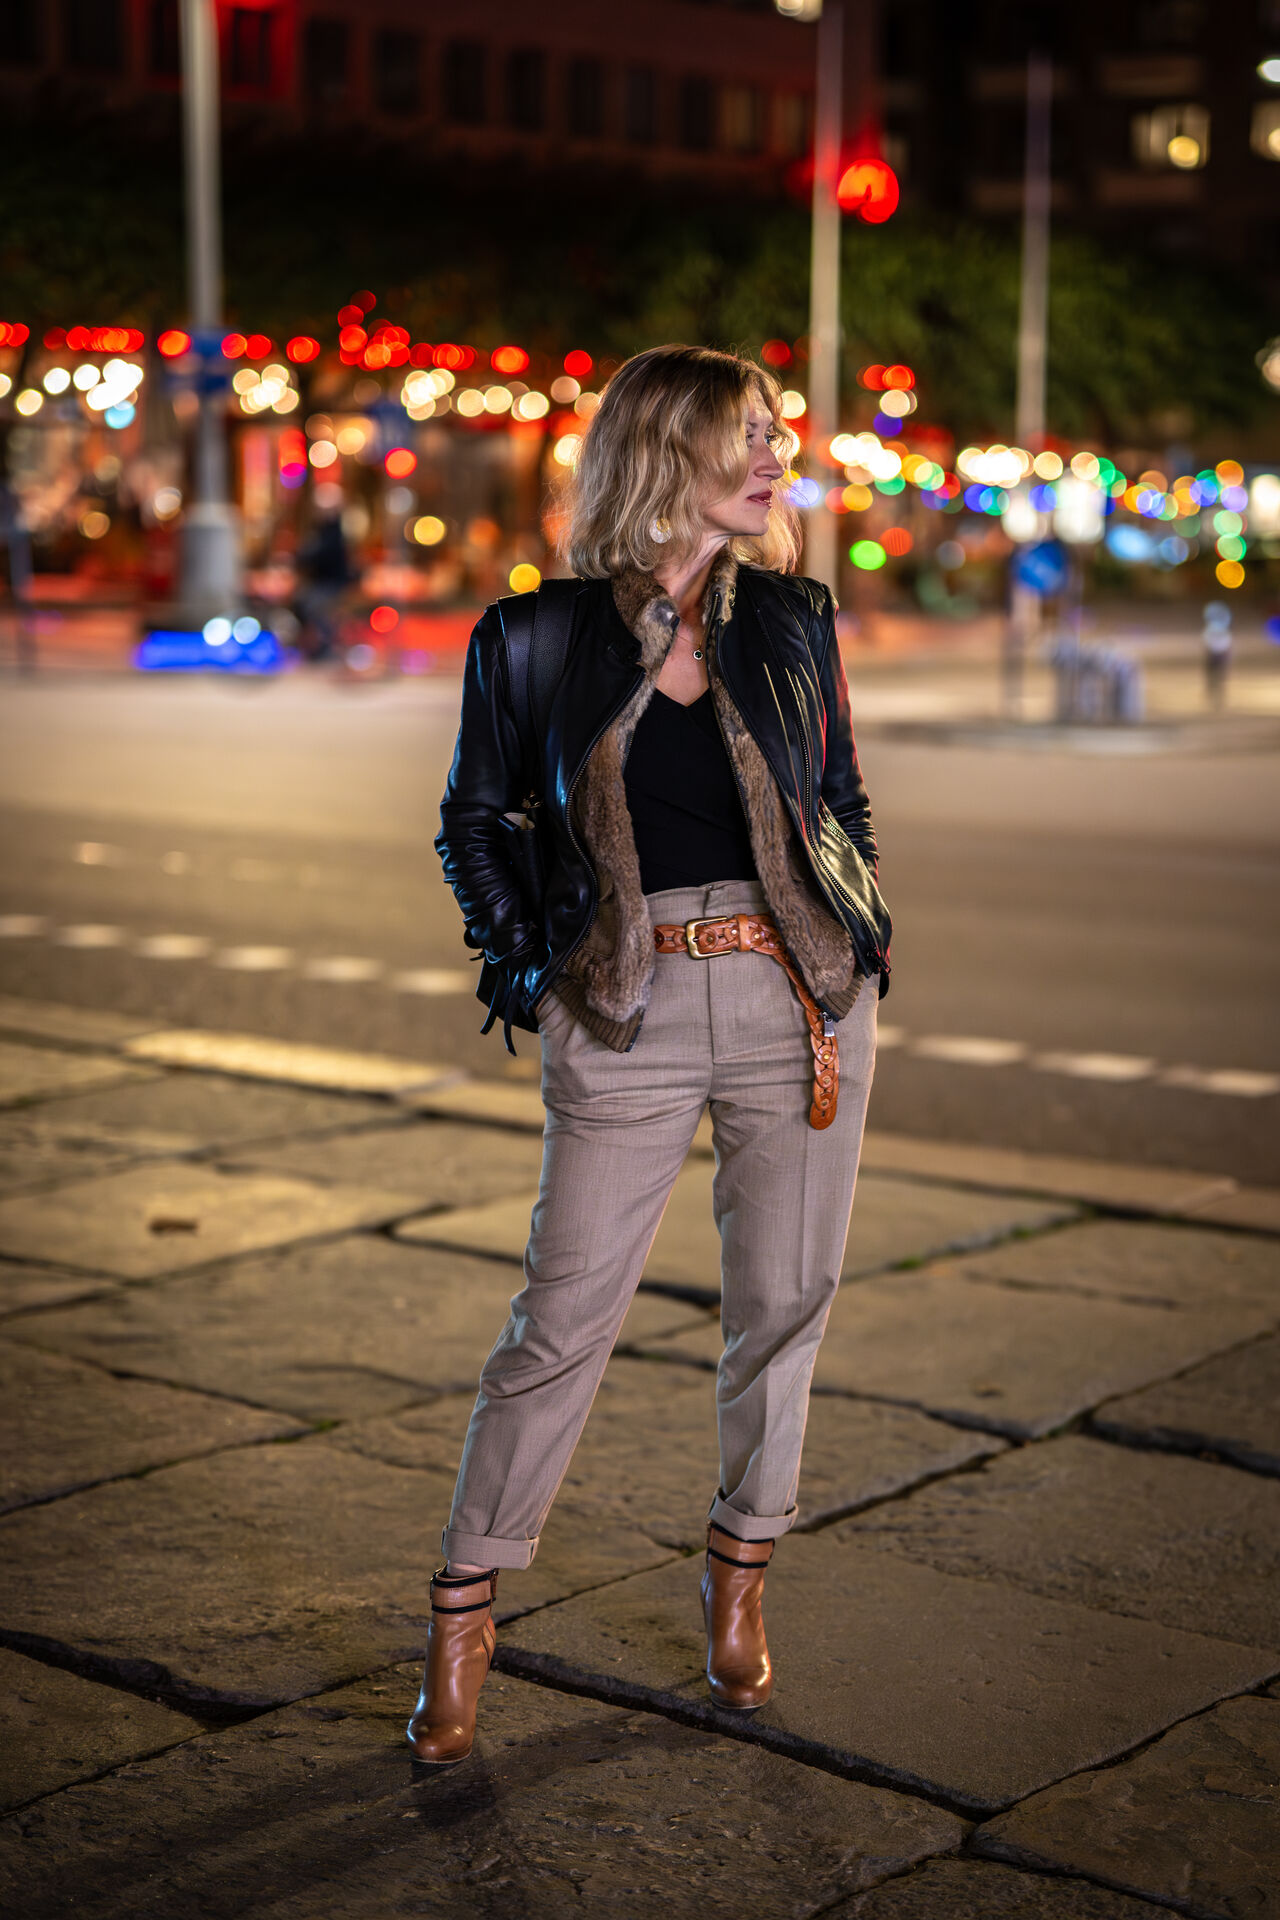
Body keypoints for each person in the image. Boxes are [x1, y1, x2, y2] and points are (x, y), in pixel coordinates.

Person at [410, 344, 892, 1764]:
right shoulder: (533, 636)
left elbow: (839, 799)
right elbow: (474, 819)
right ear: (666, 451)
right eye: (749, 434)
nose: (777, 458)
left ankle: (740, 1576)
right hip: (623, 1005)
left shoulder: (794, 618)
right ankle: (463, 1612)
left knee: (785, 1304)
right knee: (561, 1319)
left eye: (777, 434)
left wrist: (858, 938)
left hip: (799, 1000)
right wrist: (536, 972)